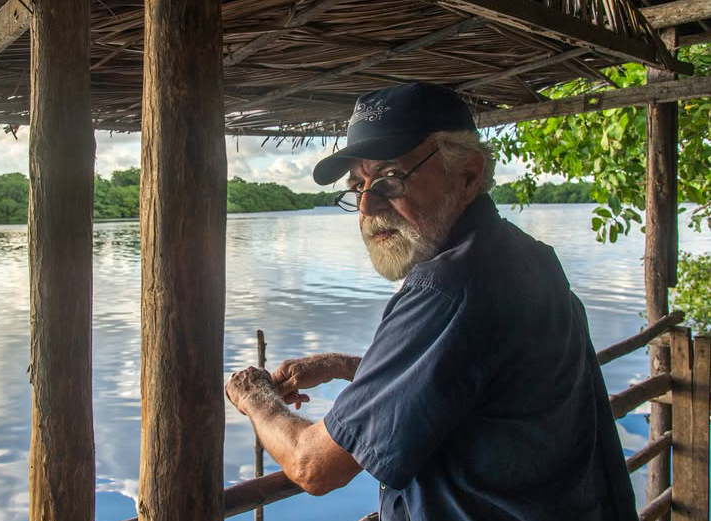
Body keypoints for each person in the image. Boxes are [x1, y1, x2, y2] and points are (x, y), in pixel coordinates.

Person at [225, 82, 638, 521]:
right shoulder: (524, 255)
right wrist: (345, 366)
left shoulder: (447, 287)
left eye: (389, 178)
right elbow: (470, 377)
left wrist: (256, 396)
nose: (367, 205)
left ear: (468, 174)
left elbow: (314, 467)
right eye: (358, 185)